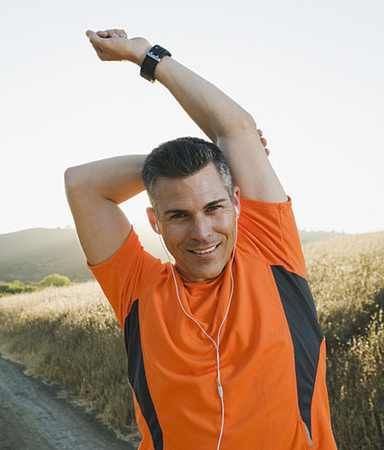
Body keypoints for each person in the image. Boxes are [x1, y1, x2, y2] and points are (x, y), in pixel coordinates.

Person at [64, 28, 337, 449]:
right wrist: (177, 167)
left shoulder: (271, 251)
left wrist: (146, 56)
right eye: (178, 214)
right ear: (155, 223)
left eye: (214, 207)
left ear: (238, 203)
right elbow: (81, 183)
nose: (202, 232)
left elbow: (236, 127)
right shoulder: (138, 288)